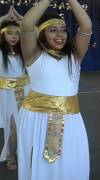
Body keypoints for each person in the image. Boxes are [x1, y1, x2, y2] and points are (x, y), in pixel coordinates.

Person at [17, 0, 92, 179]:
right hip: (37, 120)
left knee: (71, 165)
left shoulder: (75, 55)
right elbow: (27, 25)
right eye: (52, 30)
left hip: (71, 121)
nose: (60, 35)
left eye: (63, 30)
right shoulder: (33, 55)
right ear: (42, 33)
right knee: (41, 169)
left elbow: (87, 25)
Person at [0, 6, 28, 170]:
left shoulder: (24, 52)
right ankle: (11, 155)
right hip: (6, 95)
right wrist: (4, 18)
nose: (14, 36)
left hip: (24, 93)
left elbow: (37, 35)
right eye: (10, 32)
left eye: (17, 33)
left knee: (23, 127)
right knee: (14, 129)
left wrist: (21, 21)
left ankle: (20, 153)